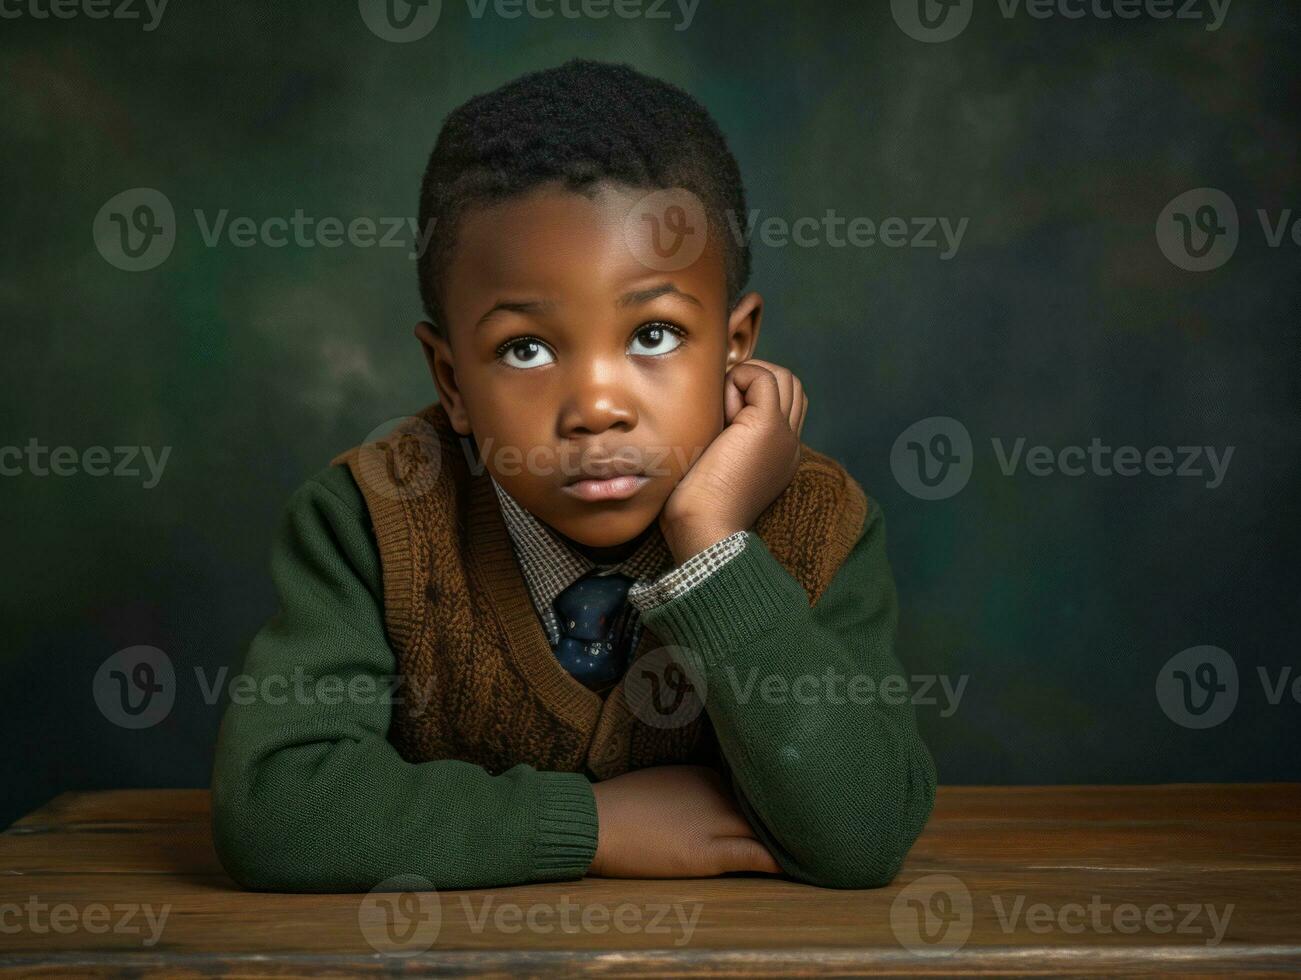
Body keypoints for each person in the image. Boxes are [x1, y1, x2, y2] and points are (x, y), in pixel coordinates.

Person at [210, 58, 936, 892]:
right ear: (450, 380)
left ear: (736, 346)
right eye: (526, 349)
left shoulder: (816, 521)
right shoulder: (369, 520)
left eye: (654, 335)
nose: (595, 406)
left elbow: (865, 831)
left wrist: (712, 548)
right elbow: (276, 810)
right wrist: (591, 827)